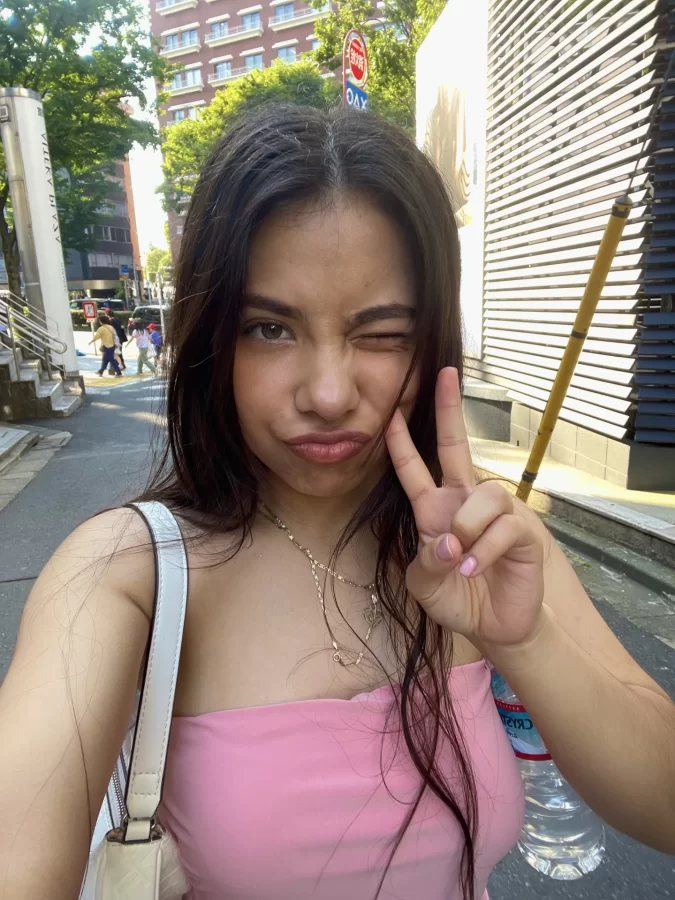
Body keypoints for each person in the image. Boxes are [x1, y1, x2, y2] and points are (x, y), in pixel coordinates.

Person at [0, 107, 673, 900]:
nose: (327, 394)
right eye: (269, 329)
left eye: (381, 334)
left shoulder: (484, 545)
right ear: (211, 338)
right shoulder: (126, 575)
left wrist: (527, 643)